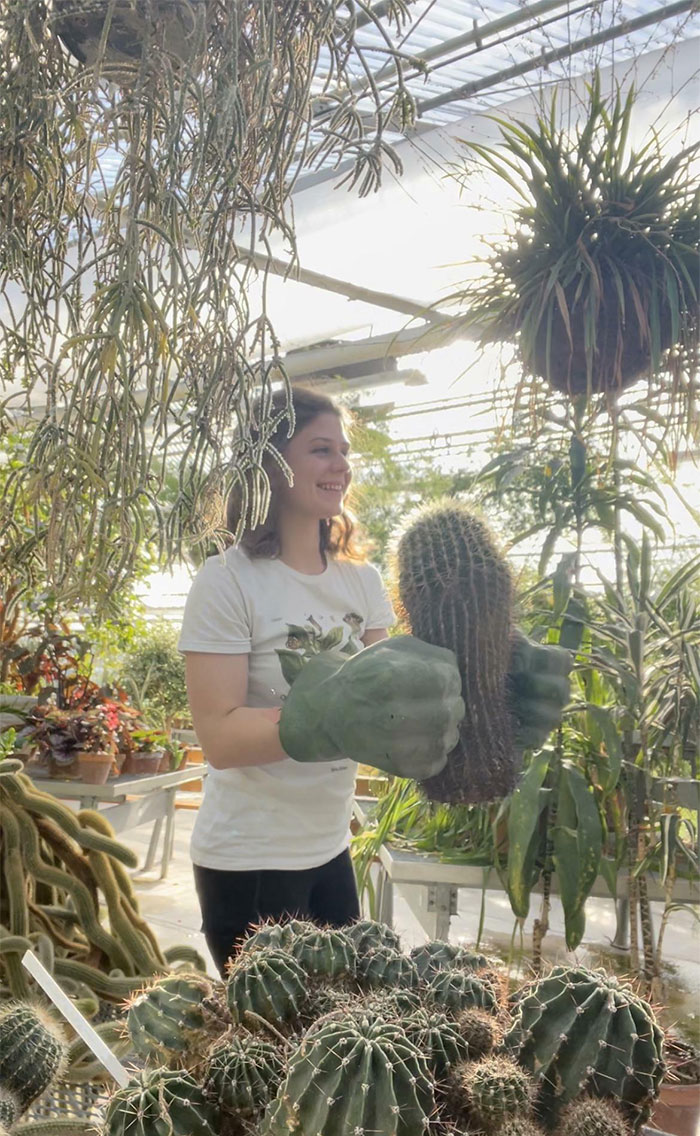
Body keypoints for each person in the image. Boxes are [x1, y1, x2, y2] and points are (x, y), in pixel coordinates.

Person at [179, 386, 569, 976]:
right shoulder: (227, 581)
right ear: (270, 464)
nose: (341, 465)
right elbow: (221, 739)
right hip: (248, 861)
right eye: (319, 450)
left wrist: (499, 684)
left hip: (332, 850)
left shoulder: (359, 583)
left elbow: (399, 710)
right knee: (278, 1054)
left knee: (340, 1049)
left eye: (343, 450)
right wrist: (328, 712)